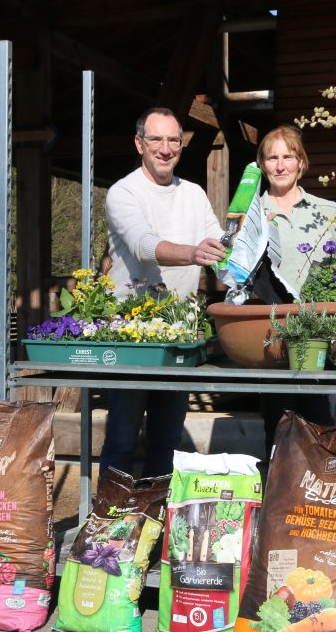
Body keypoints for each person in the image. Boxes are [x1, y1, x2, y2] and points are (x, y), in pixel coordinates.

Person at [100, 107, 226, 478]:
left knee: (166, 439)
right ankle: (112, 527)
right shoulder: (123, 192)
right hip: (132, 336)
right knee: (122, 438)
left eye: (174, 140)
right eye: (156, 139)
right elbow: (143, 244)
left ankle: (153, 523)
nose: (166, 148)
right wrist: (193, 253)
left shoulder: (193, 193)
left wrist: (242, 245)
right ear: (140, 143)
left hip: (179, 335)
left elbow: (218, 243)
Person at [256, 125, 336, 462]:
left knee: (320, 423)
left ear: (300, 162)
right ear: (263, 165)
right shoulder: (249, 213)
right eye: (272, 158)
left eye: (288, 157)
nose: (280, 165)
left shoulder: (326, 211)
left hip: (319, 332)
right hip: (273, 333)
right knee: (278, 426)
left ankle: (317, 503)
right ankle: (280, 502)